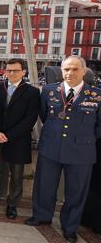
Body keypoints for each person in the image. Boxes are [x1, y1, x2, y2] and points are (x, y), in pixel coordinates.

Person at [25, 56, 101, 243]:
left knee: (76, 192)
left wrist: (83, 140)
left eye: (75, 69)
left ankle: (70, 227)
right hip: (51, 147)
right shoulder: (49, 91)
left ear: (84, 72)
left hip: (81, 152)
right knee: (44, 186)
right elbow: (44, 116)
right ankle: (42, 216)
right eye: (66, 69)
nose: (70, 73)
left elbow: (99, 127)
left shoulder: (96, 95)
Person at [0, 58, 39, 219]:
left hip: (18, 141)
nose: (11, 73)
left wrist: (9, 135)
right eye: (9, 70)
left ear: (23, 72)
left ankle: (12, 204)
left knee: (16, 175)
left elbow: (30, 119)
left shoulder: (32, 92)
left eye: (15, 70)